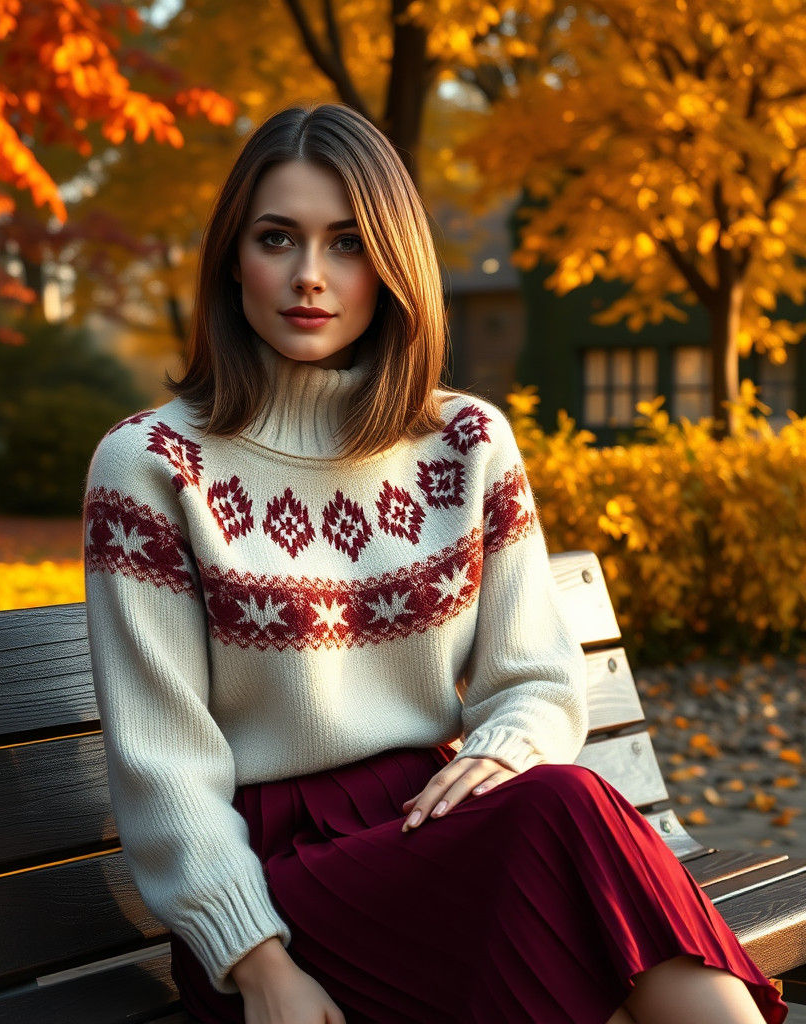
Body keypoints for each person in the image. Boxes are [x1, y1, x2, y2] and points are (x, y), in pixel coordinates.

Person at [82, 102, 788, 1024]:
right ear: (231, 259)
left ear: (393, 263)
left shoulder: (466, 441)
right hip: (269, 884)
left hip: (441, 823)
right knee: (571, 827)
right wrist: (261, 967)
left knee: (565, 835)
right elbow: (163, 760)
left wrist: (497, 757)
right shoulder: (152, 464)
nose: (309, 275)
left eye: (347, 244)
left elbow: (536, 681)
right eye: (276, 238)